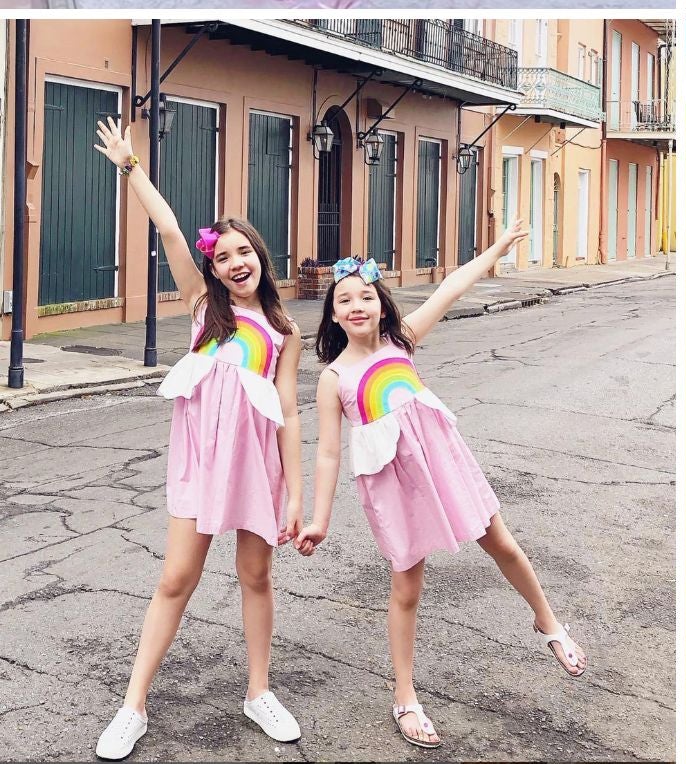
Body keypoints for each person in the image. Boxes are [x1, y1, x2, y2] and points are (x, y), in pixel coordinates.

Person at [296, 222, 587, 749]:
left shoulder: (400, 341)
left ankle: (549, 624)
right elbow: (327, 454)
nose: (357, 305)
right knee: (407, 588)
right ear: (333, 314)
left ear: (382, 305)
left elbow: (451, 287)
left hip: (445, 463)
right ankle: (405, 696)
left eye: (366, 296)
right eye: (345, 299)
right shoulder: (333, 378)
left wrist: (496, 251)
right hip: (393, 485)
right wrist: (319, 519)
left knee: (503, 543)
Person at [91, 120, 306, 761]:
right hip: (200, 461)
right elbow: (169, 231)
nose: (235, 264)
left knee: (256, 575)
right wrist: (132, 169)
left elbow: (289, 413)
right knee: (176, 578)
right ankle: (132, 706)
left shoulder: (285, 329)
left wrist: (296, 496)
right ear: (213, 268)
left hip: (255, 465)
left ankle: (258, 692)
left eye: (244, 253)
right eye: (223, 257)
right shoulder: (201, 308)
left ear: (261, 256)